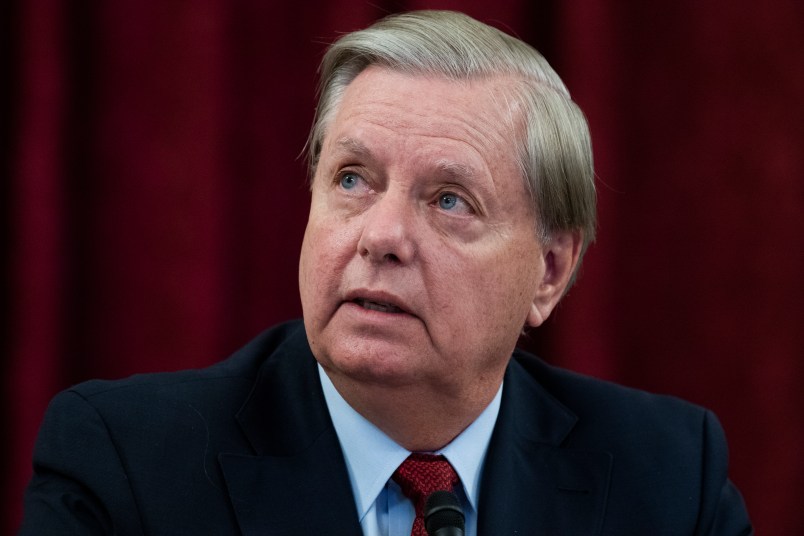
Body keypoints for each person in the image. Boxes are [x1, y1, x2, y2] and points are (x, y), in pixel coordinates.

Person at [20, 10, 752, 536]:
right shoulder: (127, 468)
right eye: (352, 180)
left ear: (549, 272)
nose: (383, 236)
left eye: (449, 200)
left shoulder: (665, 478)